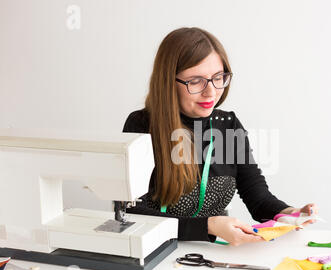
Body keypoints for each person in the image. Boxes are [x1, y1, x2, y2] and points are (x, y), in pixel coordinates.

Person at [123, 27, 317, 246]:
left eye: (218, 77)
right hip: (157, 253)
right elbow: (131, 213)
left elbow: (258, 198)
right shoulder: (141, 125)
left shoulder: (228, 125)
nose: (211, 92)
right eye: (196, 81)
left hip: (211, 252)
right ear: (168, 81)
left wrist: (289, 213)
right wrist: (208, 226)